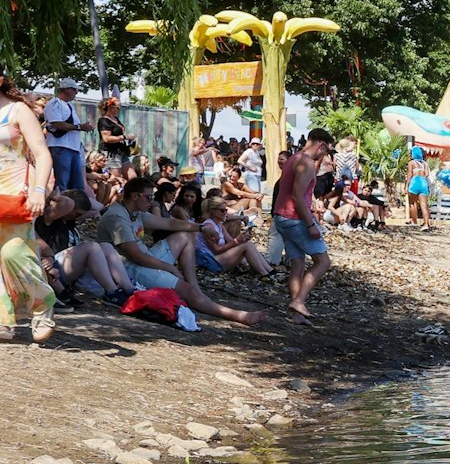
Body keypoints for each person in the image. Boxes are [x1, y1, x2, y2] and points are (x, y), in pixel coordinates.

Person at [93, 176, 263, 326]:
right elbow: (136, 257)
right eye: (149, 197)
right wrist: (170, 268)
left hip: (144, 257)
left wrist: (200, 227)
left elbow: (168, 224)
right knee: (186, 290)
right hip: (128, 269)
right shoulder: (117, 217)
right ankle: (238, 316)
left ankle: (194, 289)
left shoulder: (135, 211)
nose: (152, 202)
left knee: (186, 235)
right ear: (135, 196)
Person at [0, 79, 58, 341]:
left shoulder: (18, 110)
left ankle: (43, 303)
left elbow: (42, 153)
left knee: (14, 252)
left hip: (17, 191)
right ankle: (3, 319)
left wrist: (39, 190)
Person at [274, 127, 333, 320]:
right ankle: (299, 301)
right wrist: (310, 224)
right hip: (295, 219)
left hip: (281, 216)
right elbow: (297, 196)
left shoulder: (294, 157)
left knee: (298, 263)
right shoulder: (306, 162)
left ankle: (296, 314)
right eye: (326, 151)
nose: (325, 156)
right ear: (321, 145)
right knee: (323, 262)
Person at [37, 78, 93, 207]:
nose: (76, 93)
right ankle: (58, 211)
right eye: (74, 89)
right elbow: (56, 123)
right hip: (60, 148)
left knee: (76, 185)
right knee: (62, 184)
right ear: (67, 89)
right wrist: (79, 127)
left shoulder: (69, 105)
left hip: (72, 149)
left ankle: (72, 214)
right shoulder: (55, 103)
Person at [198, 192, 274, 276]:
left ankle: (269, 270)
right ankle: (264, 273)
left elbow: (231, 241)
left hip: (216, 259)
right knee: (246, 246)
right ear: (212, 211)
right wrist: (237, 241)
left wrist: (243, 239)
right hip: (210, 261)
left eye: (226, 210)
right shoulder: (209, 226)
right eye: (222, 210)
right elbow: (216, 250)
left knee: (247, 243)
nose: (225, 213)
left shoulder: (219, 225)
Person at [96, 94, 133, 168]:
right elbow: (106, 138)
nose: (118, 109)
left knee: (132, 177)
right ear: (110, 107)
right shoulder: (104, 121)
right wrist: (124, 137)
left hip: (120, 150)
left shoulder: (115, 119)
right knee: (115, 176)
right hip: (110, 152)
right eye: (117, 107)